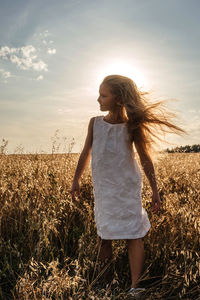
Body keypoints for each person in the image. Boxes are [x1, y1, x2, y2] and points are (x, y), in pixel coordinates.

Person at [70, 74, 186, 296]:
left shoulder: (133, 126)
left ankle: (136, 286)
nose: (98, 99)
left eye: (103, 95)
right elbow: (86, 152)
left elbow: (144, 158)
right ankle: (104, 283)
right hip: (104, 189)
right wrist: (76, 179)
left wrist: (155, 190)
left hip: (127, 188)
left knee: (134, 234)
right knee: (104, 236)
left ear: (119, 98)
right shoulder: (95, 123)